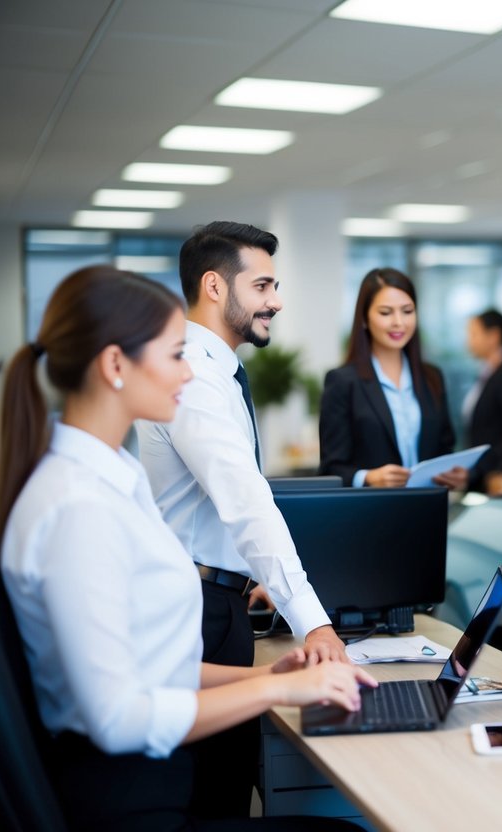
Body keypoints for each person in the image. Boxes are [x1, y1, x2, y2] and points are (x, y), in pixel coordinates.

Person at [0, 266, 375, 832]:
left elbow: (154, 670)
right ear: (115, 365)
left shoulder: (114, 476)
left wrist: (274, 681)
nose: (189, 371)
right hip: (128, 807)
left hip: (151, 788)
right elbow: (118, 716)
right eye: (176, 354)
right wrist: (279, 687)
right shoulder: (75, 506)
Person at [135, 221, 348, 819]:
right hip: (197, 608)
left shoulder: (217, 373)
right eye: (262, 285)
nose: (275, 300)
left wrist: (248, 572)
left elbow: (221, 505)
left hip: (219, 598)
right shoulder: (195, 377)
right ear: (213, 286)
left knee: (225, 788)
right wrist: (315, 625)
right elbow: (245, 500)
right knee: (213, 798)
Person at [319, 267, 463, 489]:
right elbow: (331, 468)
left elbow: (444, 449)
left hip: (428, 511)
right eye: (386, 313)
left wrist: (455, 475)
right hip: (371, 514)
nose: (399, 322)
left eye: (407, 311)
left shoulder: (432, 377)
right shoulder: (342, 382)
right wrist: (368, 478)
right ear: (365, 319)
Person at [462, 309, 502, 494]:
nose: (468, 341)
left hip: (499, 480)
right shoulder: (489, 372)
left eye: (473, 334)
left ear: (493, 336)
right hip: (483, 477)